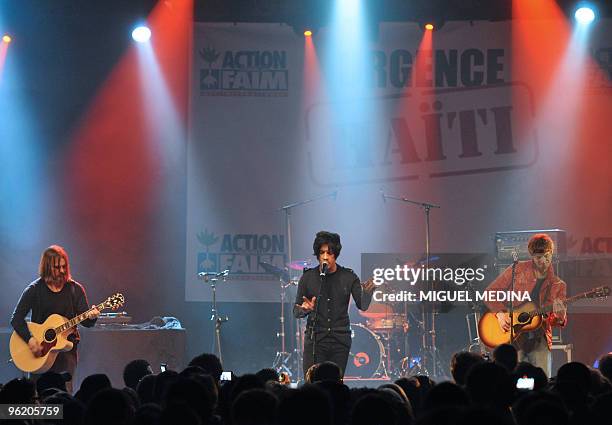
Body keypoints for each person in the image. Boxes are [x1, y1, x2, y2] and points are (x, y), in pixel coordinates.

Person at [10, 245, 100, 392]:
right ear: (47, 267)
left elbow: (86, 322)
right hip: (39, 352)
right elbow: (16, 319)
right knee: (37, 396)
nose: (62, 271)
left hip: (66, 354)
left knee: (64, 397)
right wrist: (30, 339)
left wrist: (92, 317)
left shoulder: (75, 289)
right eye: (57, 267)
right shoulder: (34, 289)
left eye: (64, 267)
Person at [293, 231, 375, 378]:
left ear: (335, 255)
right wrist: (304, 309)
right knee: (312, 383)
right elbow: (296, 312)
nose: (325, 257)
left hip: (340, 339)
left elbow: (362, 305)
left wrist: (368, 294)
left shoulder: (348, 276)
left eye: (329, 253)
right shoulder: (307, 278)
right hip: (316, 339)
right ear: (317, 254)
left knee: (335, 383)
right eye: (322, 252)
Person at [485, 233, 566, 377]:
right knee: (509, 380)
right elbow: (490, 292)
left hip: (539, 337)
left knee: (542, 381)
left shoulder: (558, 285)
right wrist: (500, 314)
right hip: (514, 336)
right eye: (539, 257)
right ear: (532, 256)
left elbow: (554, 320)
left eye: (547, 256)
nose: (544, 261)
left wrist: (560, 316)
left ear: (551, 253)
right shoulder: (518, 269)